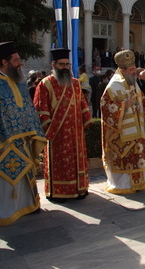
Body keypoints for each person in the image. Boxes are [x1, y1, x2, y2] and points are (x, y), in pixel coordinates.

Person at [34, 48, 92, 203]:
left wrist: (86, 120)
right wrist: (48, 130)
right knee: (60, 164)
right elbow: (41, 109)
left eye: (67, 64)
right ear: (53, 64)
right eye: (62, 64)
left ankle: (80, 188)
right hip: (57, 133)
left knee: (76, 161)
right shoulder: (45, 84)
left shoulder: (75, 83)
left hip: (76, 131)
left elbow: (82, 104)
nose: (65, 67)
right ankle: (59, 192)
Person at [0, 42, 47, 226]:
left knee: (26, 174)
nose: (20, 63)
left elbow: (27, 108)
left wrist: (33, 132)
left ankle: (29, 204)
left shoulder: (19, 81)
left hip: (24, 140)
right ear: (4, 62)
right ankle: (6, 211)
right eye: (16, 60)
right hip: (5, 142)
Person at [100, 50, 145, 194]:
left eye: (134, 69)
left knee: (137, 156)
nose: (134, 72)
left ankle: (140, 182)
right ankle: (124, 185)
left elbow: (140, 101)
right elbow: (105, 106)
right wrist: (123, 106)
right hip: (121, 132)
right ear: (122, 70)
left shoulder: (133, 84)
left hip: (137, 130)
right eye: (131, 70)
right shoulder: (114, 85)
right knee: (126, 158)